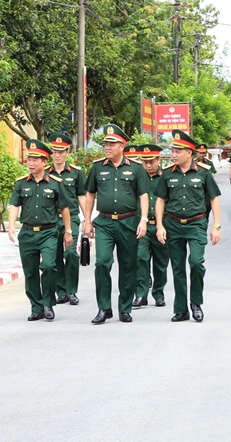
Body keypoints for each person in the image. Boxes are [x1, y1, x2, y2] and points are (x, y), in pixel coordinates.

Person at [83, 124, 150, 324]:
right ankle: (104, 308)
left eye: (112, 144)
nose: (107, 147)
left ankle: (125, 308)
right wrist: (87, 220)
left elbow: (144, 195)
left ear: (122, 146)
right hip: (103, 222)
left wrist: (144, 220)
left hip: (128, 221)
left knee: (128, 265)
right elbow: (89, 194)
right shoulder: (97, 167)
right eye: (106, 144)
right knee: (102, 262)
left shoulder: (136, 169)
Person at [155, 130, 222, 322]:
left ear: (189, 153)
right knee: (177, 268)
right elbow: (160, 200)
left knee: (196, 263)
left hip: (196, 223)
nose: (174, 154)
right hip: (173, 224)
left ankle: (196, 302)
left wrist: (216, 226)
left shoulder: (203, 172)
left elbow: (214, 199)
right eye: (173, 150)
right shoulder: (167, 174)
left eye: (178, 151)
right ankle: (181, 309)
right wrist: (160, 225)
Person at [7, 139, 73, 321]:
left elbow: (64, 208)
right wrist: (12, 226)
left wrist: (68, 231)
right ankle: (36, 307)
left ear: (45, 162)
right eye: (29, 159)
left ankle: (47, 302)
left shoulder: (55, 183)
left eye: (35, 159)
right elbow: (14, 205)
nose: (31, 163)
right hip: (27, 233)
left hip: (49, 232)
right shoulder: (21, 183)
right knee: (30, 272)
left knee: (49, 266)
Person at [47, 133, 87, 306]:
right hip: (51, 219)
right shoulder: (45, 173)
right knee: (54, 255)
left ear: (67, 151)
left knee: (70, 253)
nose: (58, 155)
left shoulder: (75, 173)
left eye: (61, 151)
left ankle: (71, 291)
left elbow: (82, 196)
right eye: (55, 151)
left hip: (71, 218)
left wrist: (87, 219)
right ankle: (61, 291)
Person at [132, 144, 169, 308]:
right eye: (145, 162)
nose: (148, 165)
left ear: (158, 160)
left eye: (151, 161)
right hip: (142, 225)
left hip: (162, 225)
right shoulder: (137, 176)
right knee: (140, 258)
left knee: (161, 263)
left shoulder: (166, 176)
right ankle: (141, 295)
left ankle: (159, 293)